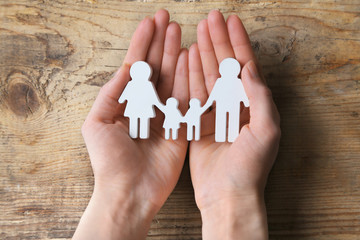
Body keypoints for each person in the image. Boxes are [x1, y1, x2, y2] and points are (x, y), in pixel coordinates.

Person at [73, 9, 280, 240]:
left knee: (226, 124)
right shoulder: (217, 84)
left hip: (222, 109)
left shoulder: (223, 83)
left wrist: (233, 196)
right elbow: (208, 99)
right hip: (145, 111)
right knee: (152, 124)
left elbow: (164, 98)